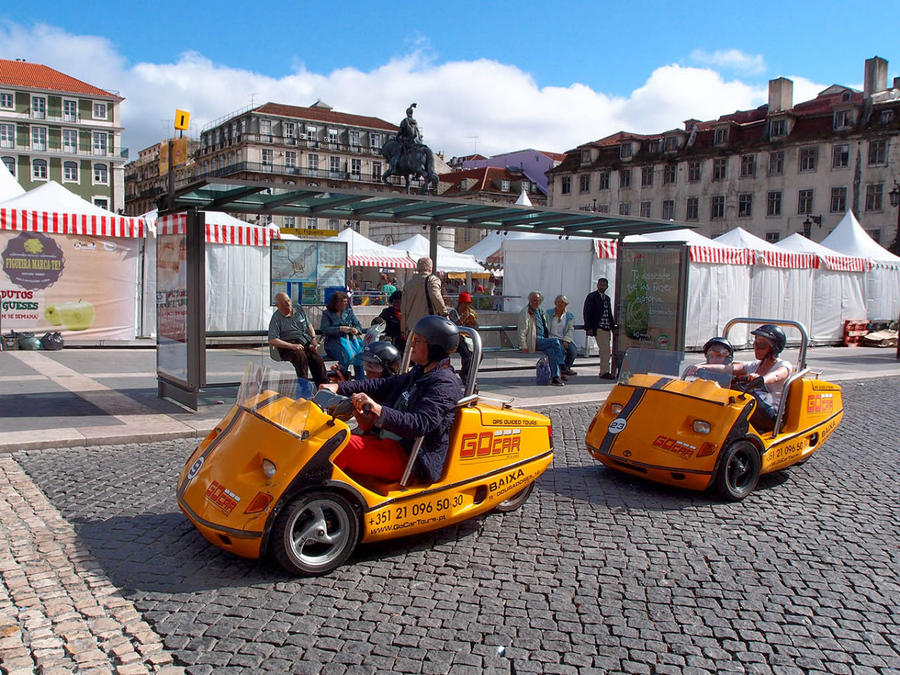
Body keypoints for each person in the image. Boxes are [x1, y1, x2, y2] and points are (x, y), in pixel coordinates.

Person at [321, 315, 464, 483]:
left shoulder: (445, 383)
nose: (411, 345)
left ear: (435, 347)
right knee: (328, 437)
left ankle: (320, 495)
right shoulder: (420, 372)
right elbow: (384, 384)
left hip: (410, 457)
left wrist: (378, 409)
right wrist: (338, 387)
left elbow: (421, 423)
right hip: (389, 442)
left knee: (339, 447)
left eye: (417, 341)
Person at [696, 325, 791, 433]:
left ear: (774, 348)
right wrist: (702, 367)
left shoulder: (783, 365)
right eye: (755, 344)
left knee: (743, 392)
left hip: (771, 416)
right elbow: (728, 368)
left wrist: (761, 379)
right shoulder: (755, 365)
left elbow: (777, 375)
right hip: (754, 410)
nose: (757, 348)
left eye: (762, 345)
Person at [267, 292, 328, 385]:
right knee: (300, 357)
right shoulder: (276, 318)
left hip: (304, 341)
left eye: (288, 300)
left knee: (317, 360)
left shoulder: (298, 309)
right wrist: (292, 346)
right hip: (287, 344)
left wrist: (313, 339)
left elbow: (309, 325)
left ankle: (324, 386)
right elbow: (272, 339)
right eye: (284, 303)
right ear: (278, 305)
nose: (288, 304)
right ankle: (303, 387)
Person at [517, 291, 567, 386]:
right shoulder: (526, 312)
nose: (536, 302)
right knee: (555, 342)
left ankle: (555, 377)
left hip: (542, 339)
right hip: (533, 340)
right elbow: (522, 330)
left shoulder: (541, 312)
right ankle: (562, 365)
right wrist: (523, 345)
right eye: (533, 300)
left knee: (552, 351)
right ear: (530, 300)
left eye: (538, 300)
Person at [400, 256, 446, 339]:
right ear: (431, 268)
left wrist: (403, 328)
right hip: (428, 325)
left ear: (418, 268)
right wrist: (444, 313)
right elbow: (436, 297)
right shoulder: (433, 280)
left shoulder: (408, 285)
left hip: (412, 327)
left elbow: (403, 309)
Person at [320, 291, 364, 373]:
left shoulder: (349, 312)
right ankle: (342, 377)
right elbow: (324, 329)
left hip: (350, 341)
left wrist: (356, 330)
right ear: (336, 303)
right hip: (334, 343)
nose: (346, 304)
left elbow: (358, 325)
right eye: (343, 302)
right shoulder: (327, 314)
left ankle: (360, 380)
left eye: (346, 301)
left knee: (359, 357)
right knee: (345, 355)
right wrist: (339, 329)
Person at [583, 277, 617, 380]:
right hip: (599, 327)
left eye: (604, 285)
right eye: (600, 284)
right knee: (605, 350)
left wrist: (612, 327)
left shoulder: (607, 298)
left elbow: (609, 314)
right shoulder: (592, 297)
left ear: (607, 286)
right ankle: (604, 372)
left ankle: (605, 370)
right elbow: (587, 312)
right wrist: (588, 327)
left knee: (606, 350)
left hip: (607, 327)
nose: (602, 287)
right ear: (597, 285)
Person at [448, 291, 478, 384]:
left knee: (478, 354)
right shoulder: (453, 313)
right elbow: (453, 327)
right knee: (467, 355)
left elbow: (476, 328)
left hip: (468, 338)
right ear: (460, 303)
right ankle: (465, 374)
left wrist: (473, 322)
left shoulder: (471, 313)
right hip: (458, 339)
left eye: (468, 303)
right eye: (465, 303)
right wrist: (462, 320)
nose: (467, 306)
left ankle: (470, 372)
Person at [547, 295, 578, 377]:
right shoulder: (548, 313)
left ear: (565, 304)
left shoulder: (569, 316)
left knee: (573, 351)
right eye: (559, 302)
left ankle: (566, 368)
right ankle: (558, 370)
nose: (560, 304)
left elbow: (570, 329)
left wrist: (566, 340)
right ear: (555, 303)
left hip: (563, 337)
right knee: (559, 349)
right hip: (552, 338)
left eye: (562, 302)